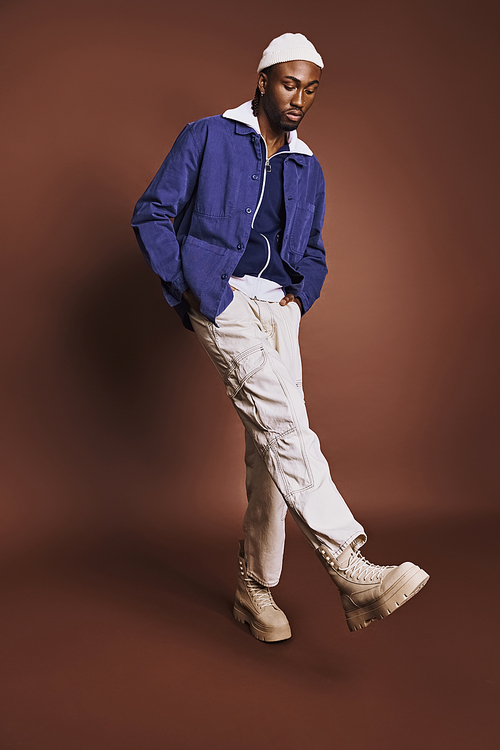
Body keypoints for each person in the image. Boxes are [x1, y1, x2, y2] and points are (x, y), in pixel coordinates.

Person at [131, 33, 429, 641]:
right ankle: (349, 564)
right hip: (223, 298)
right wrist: (189, 287)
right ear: (262, 80)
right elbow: (151, 214)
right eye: (291, 84)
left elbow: (312, 250)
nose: (300, 98)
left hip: (279, 311)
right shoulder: (207, 136)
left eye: (312, 88)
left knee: (272, 444)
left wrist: (300, 296)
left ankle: (254, 589)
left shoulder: (307, 165)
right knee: (287, 423)